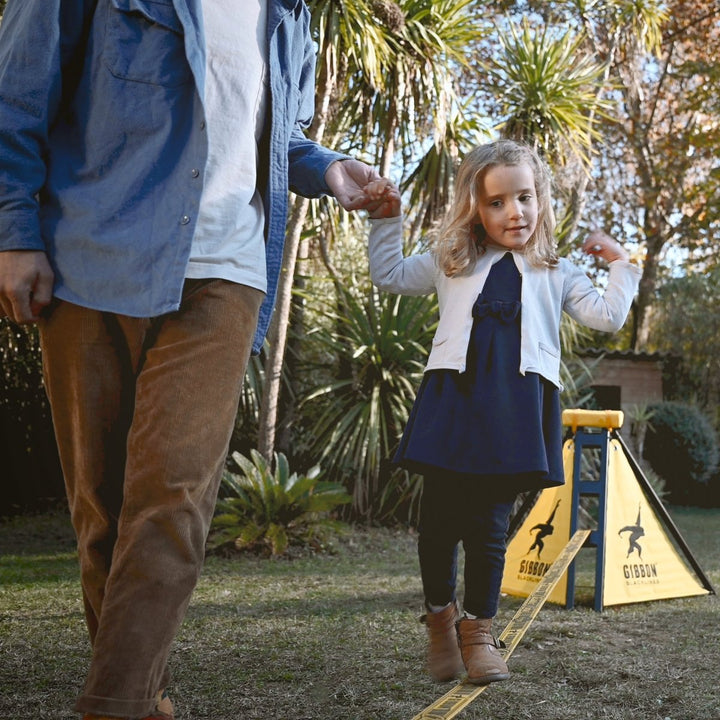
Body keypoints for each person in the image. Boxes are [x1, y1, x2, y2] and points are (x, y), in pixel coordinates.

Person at [0, 1, 382, 718]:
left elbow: (270, 138)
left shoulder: (290, 16)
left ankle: (111, 705)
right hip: (91, 258)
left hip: (226, 272)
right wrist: (13, 231)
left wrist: (329, 169)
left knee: (173, 494)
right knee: (102, 508)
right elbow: (16, 92)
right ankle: (138, 698)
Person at [363, 139, 641, 685]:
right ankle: (441, 623)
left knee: (491, 525)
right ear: (475, 207)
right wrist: (387, 218)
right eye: (496, 202)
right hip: (454, 400)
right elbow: (390, 274)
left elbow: (607, 316)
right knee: (438, 524)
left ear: (541, 199)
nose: (514, 211)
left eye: (525, 197)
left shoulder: (554, 270)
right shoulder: (451, 261)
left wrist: (621, 262)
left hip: (514, 406)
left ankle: (480, 633)